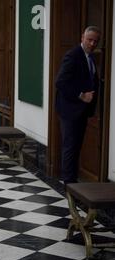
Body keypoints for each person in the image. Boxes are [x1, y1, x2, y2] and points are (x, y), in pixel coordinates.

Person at [55, 26, 101, 185]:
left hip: (81, 112)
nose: (92, 43)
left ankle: (72, 180)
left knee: (75, 146)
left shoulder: (89, 57)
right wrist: (81, 96)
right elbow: (60, 83)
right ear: (82, 38)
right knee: (70, 146)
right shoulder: (73, 55)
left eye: (96, 41)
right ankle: (68, 183)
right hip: (70, 111)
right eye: (90, 40)